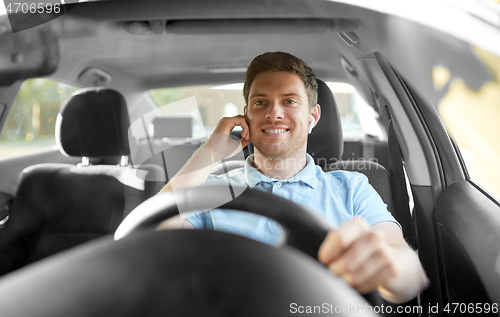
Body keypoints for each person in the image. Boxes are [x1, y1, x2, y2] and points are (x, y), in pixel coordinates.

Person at [158, 51, 428, 303]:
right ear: (246, 116)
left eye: (289, 101)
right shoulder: (211, 189)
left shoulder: (353, 187)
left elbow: (409, 271)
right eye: (260, 102)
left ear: (312, 117)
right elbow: (149, 239)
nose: (273, 113)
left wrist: (388, 268)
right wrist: (210, 153)